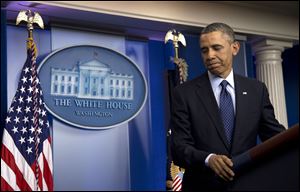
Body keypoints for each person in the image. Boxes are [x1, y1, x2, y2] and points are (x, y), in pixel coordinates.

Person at [170, 22, 285, 191]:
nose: (210, 55)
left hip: (248, 184)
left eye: (216, 48)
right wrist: (209, 159)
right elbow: (179, 148)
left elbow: (274, 135)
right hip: (202, 186)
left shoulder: (256, 90)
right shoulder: (184, 93)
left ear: (235, 48)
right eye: (204, 50)